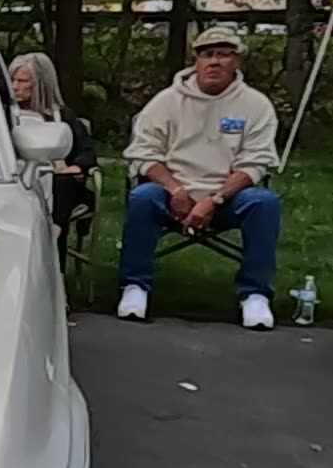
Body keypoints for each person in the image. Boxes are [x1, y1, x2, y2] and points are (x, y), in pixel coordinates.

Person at [117, 26, 281, 330]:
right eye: (207, 54)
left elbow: (256, 163)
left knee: (265, 203)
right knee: (142, 198)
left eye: (223, 54)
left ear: (237, 62)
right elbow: (143, 153)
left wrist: (214, 200)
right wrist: (175, 189)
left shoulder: (256, 106)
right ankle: (135, 287)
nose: (214, 62)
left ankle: (255, 294)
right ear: (196, 61)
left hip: (226, 199)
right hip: (171, 195)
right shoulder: (165, 102)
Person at [8, 52, 98, 244]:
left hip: (56, 185)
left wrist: (77, 167)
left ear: (41, 83)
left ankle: (53, 234)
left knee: (63, 181)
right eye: (12, 80)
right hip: (18, 179)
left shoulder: (62, 116)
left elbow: (87, 152)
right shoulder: (4, 115)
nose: (15, 86)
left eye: (23, 81)